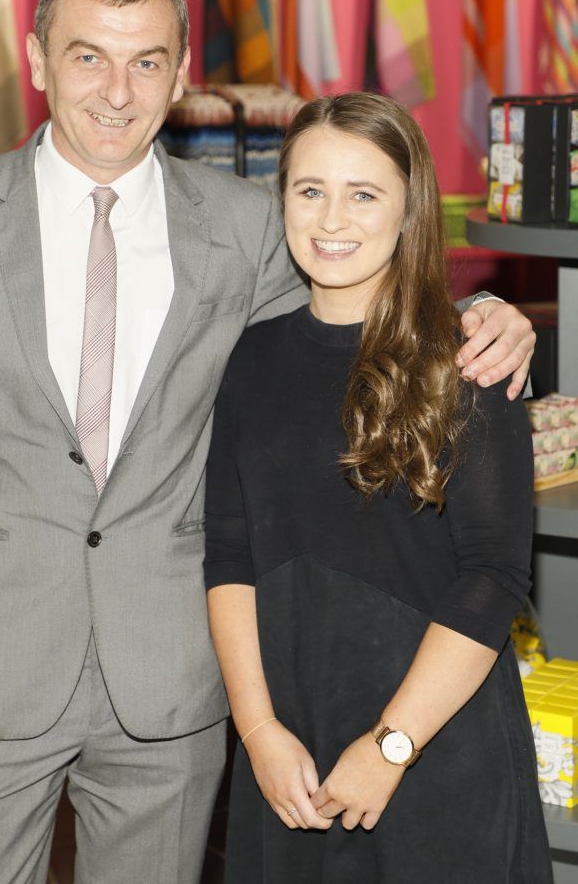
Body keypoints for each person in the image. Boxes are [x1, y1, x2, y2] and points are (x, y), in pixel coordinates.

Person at [0, 0, 535, 884]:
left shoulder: (250, 223)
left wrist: (485, 321)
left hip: (174, 684)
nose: (117, 91)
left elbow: (355, 315)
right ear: (39, 58)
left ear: (179, 76)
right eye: (88, 55)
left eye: (147, 61)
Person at [204, 92, 552, 884]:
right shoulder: (251, 359)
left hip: (436, 743)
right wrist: (257, 731)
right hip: (290, 747)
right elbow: (227, 554)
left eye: (364, 194)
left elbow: (494, 577)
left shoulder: (468, 358)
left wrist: (392, 744)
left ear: (408, 212)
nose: (332, 219)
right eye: (309, 189)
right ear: (282, 198)